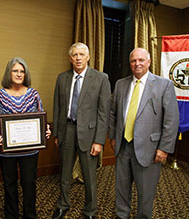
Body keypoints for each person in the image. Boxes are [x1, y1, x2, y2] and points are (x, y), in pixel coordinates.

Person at [108, 48, 179, 219]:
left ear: (148, 62)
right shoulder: (121, 84)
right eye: (133, 61)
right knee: (122, 186)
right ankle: (122, 214)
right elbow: (113, 113)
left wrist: (164, 148)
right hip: (123, 145)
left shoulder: (164, 85)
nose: (137, 64)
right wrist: (112, 137)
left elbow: (171, 120)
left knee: (146, 190)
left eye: (141, 60)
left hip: (150, 147)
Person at [52, 42, 111, 219]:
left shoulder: (101, 78)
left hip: (89, 134)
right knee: (65, 173)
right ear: (70, 58)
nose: (78, 58)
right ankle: (63, 204)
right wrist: (56, 134)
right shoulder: (62, 78)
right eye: (75, 55)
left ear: (88, 57)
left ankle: (90, 210)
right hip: (67, 130)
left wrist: (99, 141)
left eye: (81, 55)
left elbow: (103, 112)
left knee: (89, 175)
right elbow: (57, 107)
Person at [0, 57, 51, 219]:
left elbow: (41, 117)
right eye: (15, 70)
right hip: (6, 150)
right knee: (9, 184)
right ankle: (11, 215)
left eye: (22, 71)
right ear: (9, 73)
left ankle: (30, 215)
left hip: (30, 150)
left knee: (29, 183)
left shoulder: (33, 94)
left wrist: (46, 129)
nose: (19, 74)